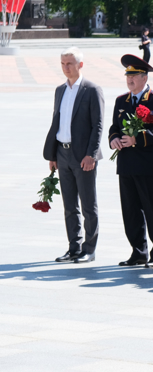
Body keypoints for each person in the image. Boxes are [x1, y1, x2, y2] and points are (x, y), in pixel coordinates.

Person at [43, 48, 104, 264]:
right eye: (62, 63)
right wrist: (53, 154)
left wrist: (91, 155)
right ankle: (73, 247)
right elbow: (56, 122)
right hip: (62, 153)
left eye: (69, 63)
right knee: (69, 205)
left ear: (80, 65)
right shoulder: (60, 90)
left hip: (83, 157)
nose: (66, 68)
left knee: (88, 205)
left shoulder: (91, 90)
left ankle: (89, 249)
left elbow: (97, 126)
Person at [109, 55, 153, 268]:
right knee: (131, 210)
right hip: (126, 164)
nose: (130, 80)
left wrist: (139, 138)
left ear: (145, 77)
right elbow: (114, 127)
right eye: (128, 75)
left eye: (134, 76)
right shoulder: (121, 101)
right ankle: (138, 252)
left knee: (152, 210)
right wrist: (114, 139)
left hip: (147, 165)